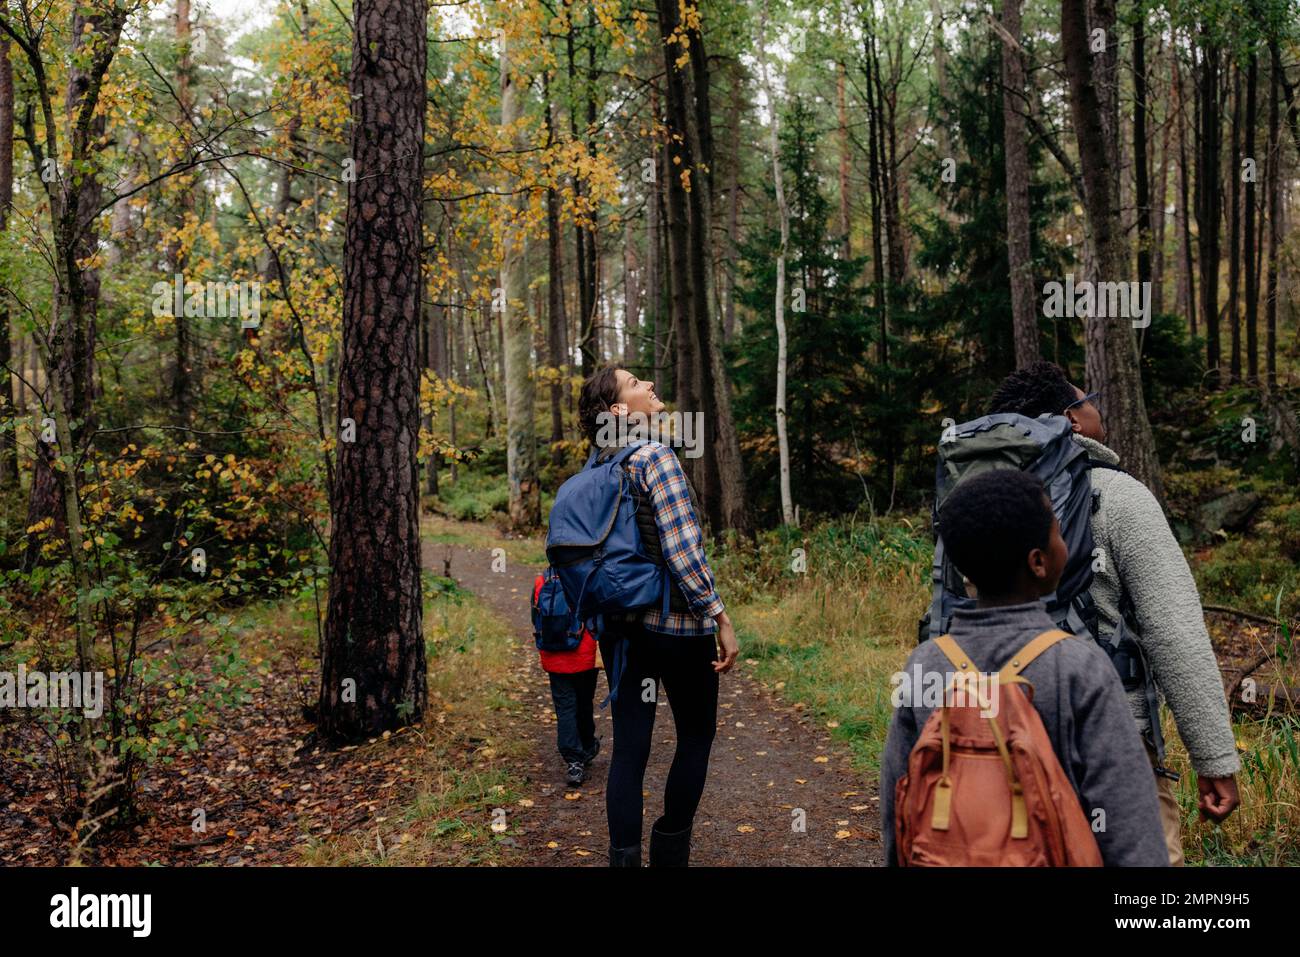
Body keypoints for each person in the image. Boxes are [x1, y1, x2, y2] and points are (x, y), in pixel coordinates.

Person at [988, 360, 1241, 864]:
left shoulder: (980, 500)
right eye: (1089, 399)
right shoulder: (1120, 497)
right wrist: (1213, 756)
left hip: (1000, 735)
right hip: (1109, 737)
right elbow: (1174, 631)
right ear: (1072, 419)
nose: (1096, 407)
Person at [881, 470, 1169, 866]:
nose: (1063, 542)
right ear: (1038, 562)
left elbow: (898, 797)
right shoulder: (1079, 668)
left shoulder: (926, 663)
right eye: (1057, 532)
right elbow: (1127, 822)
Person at [576, 365, 739, 867]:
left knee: (630, 747)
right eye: (634, 383)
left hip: (621, 631)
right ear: (621, 410)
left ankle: (623, 859)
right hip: (675, 627)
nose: (649, 385)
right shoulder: (656, 457)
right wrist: (719, 617)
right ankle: (670, 848)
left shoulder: (593, 470)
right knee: (695, 733)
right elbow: (684, 552)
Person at [531, 574, 601, 787]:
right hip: (584, 654)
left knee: (564, 707)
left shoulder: (541, 580)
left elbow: (536, 618)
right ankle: (587, 746)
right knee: (584, 701)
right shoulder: (588, 577)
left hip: (554, 655)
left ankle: (573, 761)